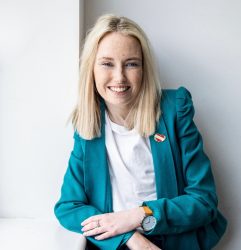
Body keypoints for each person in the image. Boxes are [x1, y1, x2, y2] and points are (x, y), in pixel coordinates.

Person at [54, 14, 227, 250]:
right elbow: (69, 206)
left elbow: (203, 201)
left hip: (175, 240)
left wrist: (138, 216)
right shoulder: (88, 123)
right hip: (115, 244)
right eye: (107, 63)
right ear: (91, 69)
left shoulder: (175, 110)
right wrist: (128, 237)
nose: (119, 77)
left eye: (131, 63)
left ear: (144, 68)